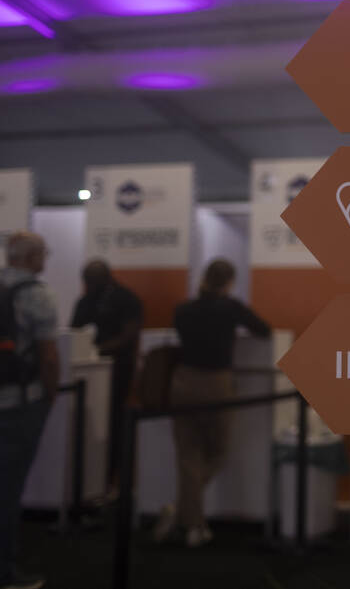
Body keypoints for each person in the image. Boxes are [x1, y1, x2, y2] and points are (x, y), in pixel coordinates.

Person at [153, 259, 270, 547]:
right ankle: (184, 515)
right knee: (218, 452)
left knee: (188, 455)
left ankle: (190, 522)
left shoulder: (183, 309)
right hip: (216, 384)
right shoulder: (231, 308)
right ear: (229, 282)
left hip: (183, 382)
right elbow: (263, 330)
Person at [0, 232, 59, 589]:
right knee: (7, 491)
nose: (46, 259)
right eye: (44, 253)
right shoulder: (38, 295)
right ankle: (5, 572)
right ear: (32, 256)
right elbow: (48, 356)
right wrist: (50, 397)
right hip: (19, 404)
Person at [70, 260, 142, 499]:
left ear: (105, 278)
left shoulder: (127, 299)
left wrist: (98, 350)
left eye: (91, 281)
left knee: (114, 423)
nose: (87, 286)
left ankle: (111, 480)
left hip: (117, 371)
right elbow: (74, 331)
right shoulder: (85, 301)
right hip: (85, 373)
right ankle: (86, 480)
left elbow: (129, 336)